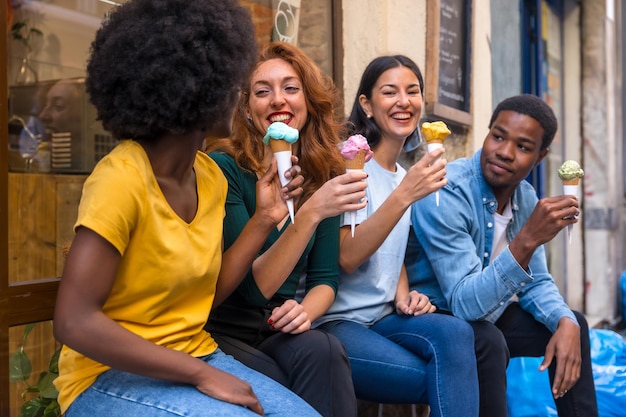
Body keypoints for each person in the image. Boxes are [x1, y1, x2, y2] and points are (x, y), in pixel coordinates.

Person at [52, 1, 322, 416]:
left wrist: (265, 217)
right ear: (194, 87)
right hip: (105, 375)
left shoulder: (208, 177)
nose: (239, 97)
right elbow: (73, 321)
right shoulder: (121, 178)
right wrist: (199, 374)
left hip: (196, 353)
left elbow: (206, 297)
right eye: (233, 84)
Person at [406, 94, 599, 417]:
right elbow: (464, 304)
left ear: (541, 157)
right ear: (488, 132)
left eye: (523, 147)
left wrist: (564, 320)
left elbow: (536, 283)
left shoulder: (524, 196)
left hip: (484, 315)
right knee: (486, 339)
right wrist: (526, 240)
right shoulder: (445, 190)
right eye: (498, 136)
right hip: (431, 312)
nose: (505, 153)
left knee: (572, 324)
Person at [204, 42, 367, 417]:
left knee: (322, 348)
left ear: (307, 102)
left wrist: (305, 313)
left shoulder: (321, 175)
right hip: (224, 330)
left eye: (291, 88)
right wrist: (312, 212)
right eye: (263, 91)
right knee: (281, 375)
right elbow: (251, 290)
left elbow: (326, 280)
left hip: (275, 326)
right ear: (246, 109)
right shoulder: (224, 168)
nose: (278, 100)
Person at [314, 55, 479, 417]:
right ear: (366, 105)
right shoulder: (352, 167)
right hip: (337, 322)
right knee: (441, 379)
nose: (404, 101)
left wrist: (407, 297)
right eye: (390, 92)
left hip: (385, 317)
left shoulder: (402, 173)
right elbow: (347, 256)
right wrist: (405, 194)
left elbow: (393, 253)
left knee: (457, 334)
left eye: (413, 91)